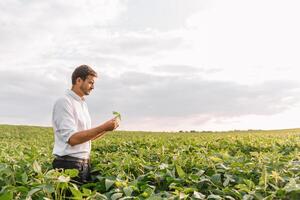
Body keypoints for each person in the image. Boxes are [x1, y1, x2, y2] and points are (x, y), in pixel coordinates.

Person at [52, 65, 119, 184]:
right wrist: (103, 127)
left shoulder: (82, 104)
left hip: (83, 163)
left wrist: (107, 128)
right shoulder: (64, 102)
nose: (93, 87)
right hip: (68, 164)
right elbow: (72, 139)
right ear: (78, 81)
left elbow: (87, 138)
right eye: (90, 82)